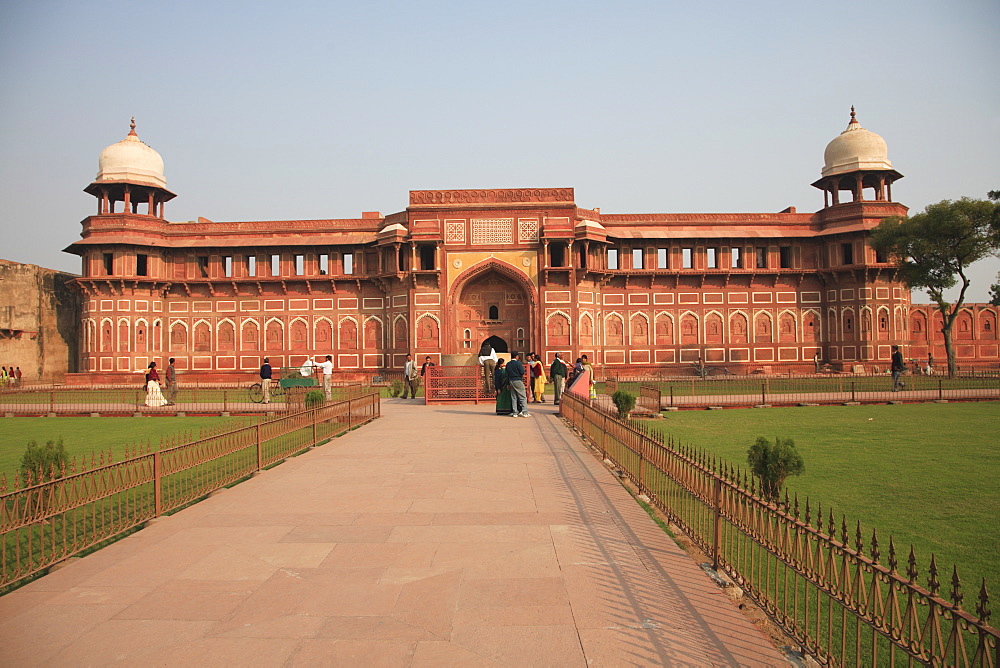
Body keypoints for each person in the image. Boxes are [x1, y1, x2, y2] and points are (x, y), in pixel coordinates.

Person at [506, 352, 529, 417]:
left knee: (513, 397)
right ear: (516, 356)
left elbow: (507, 374)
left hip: (511, 380)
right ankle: (525, 412)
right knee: (522, 397)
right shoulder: (518, 363)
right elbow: (522, 372)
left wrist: (508, 383)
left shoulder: (508, 364)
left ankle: (515, 412)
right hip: (518, 380)